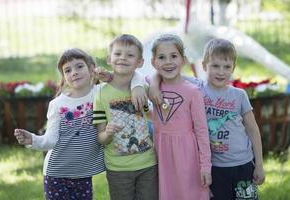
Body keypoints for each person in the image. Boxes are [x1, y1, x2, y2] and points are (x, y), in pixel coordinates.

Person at [14, 48, 148, 200]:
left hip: (84, 173)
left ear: (91, 68)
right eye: (68, 70)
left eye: (79, 66)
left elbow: (131, 75)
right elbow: (50, 140)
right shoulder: (57, 104)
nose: (74, 72)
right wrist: (32, 139)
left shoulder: (101, 92)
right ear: (64, 77)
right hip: (57, 174)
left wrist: (135, 86)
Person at [150, 38, 265, 200]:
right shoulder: (196, 87)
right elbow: (162, 73)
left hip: (242, 163)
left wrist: (259, 164)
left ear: (233, 68)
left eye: (227, 67)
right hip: (215, 166)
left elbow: (253, 130)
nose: (221, 72)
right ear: (204, 66)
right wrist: (154, 86)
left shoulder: (239, 95)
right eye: (215, 66)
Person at [93, 34, 158, 200]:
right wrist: (107, 132)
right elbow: (101, 138)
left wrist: (141, 86)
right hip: (118, 168)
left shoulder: (143, 86)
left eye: (130, 55)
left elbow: (160, 110)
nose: (123, 58)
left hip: (148, 164)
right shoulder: (100, 94)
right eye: (118, 54)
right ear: (109, 58)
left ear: (140, 62)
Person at [149, 34, 212, 200]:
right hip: (162, 153)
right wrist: (154, 85)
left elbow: (201, 130)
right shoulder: (151, 86)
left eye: (173, 56)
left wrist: (205, 166)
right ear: (153, 62)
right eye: (161, 57)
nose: (168, 62)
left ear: (183, 60)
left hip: (187, 154)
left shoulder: (193, 91)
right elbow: (134, 78)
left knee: (190, 193)